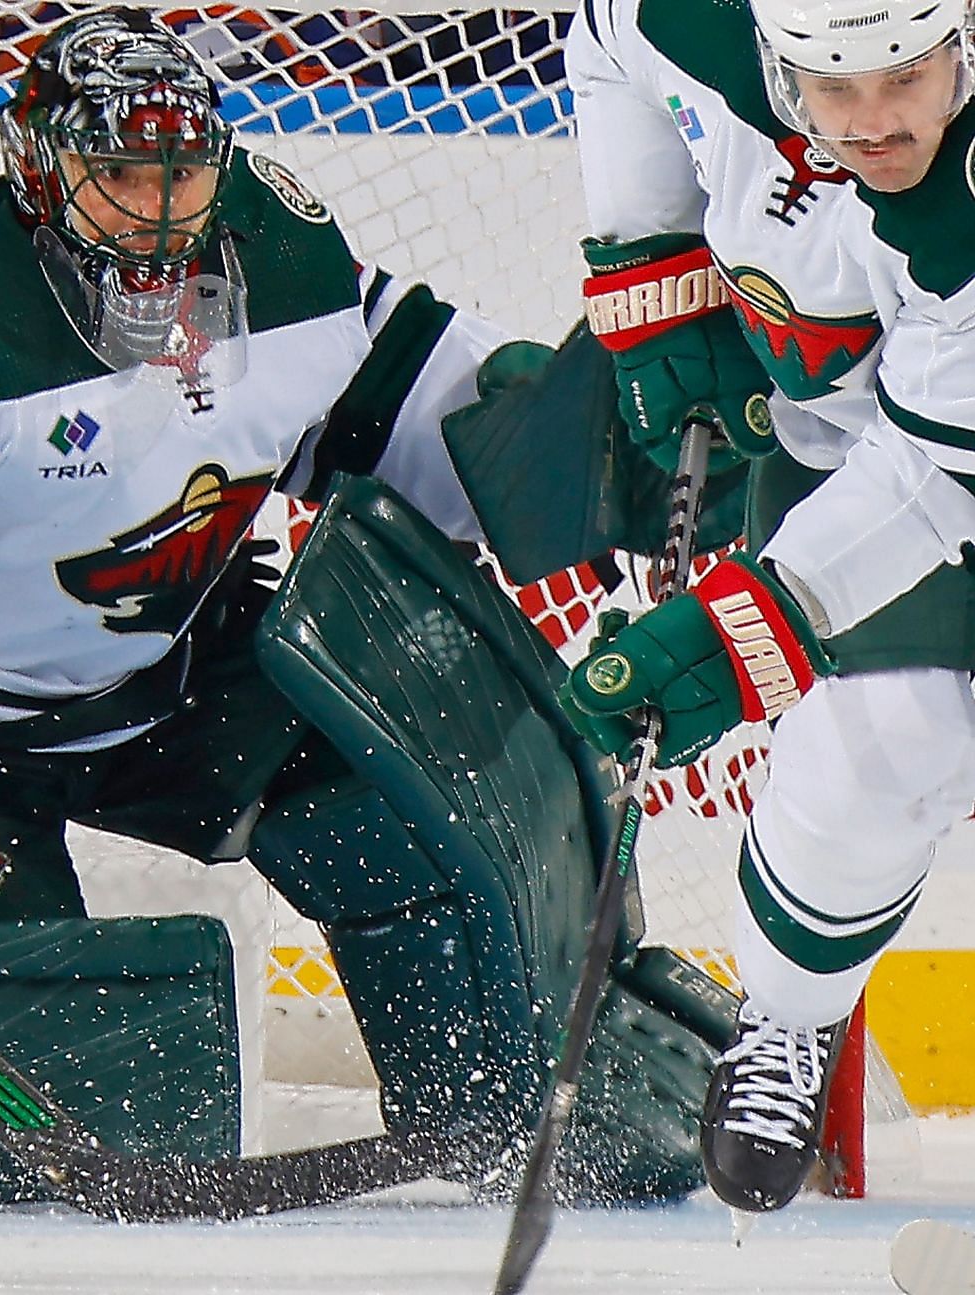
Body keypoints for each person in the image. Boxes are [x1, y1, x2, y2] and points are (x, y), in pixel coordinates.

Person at [0, 5, 731, 1200]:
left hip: (168, 683)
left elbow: (432, 416)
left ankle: (503, 1121)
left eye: (184, 174)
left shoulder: (281, 258)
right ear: (40, 166)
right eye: (121, 174)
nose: (161, 209)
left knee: (400, 819)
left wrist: (604, 457)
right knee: (40, 1047)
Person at [561, 0, 975, 1213]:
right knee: (879, 747)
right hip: (865, 437)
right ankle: (788, 1024)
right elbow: (602, 38)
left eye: (904, 78)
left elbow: (938, 477)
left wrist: (755, 622)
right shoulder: (687, 19)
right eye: (830, 89)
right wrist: (649, 259)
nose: (872, 123)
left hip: (939, 452)